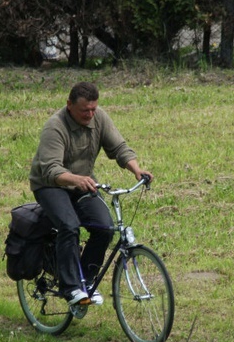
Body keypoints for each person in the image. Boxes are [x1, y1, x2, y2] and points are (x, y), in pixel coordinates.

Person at [29, 82, 153, 306]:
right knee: (69, 225)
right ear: (69, 105)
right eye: (84, 110)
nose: (90, 114)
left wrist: (137, 169)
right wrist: (76, 179)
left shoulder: (99, 118)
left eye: (93, 109)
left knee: (104, 228)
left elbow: (119, 148)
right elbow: (50, 170)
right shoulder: (54, 127)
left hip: (83, 183)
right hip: (50, 186)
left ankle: (85, 281)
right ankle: (71, 288)